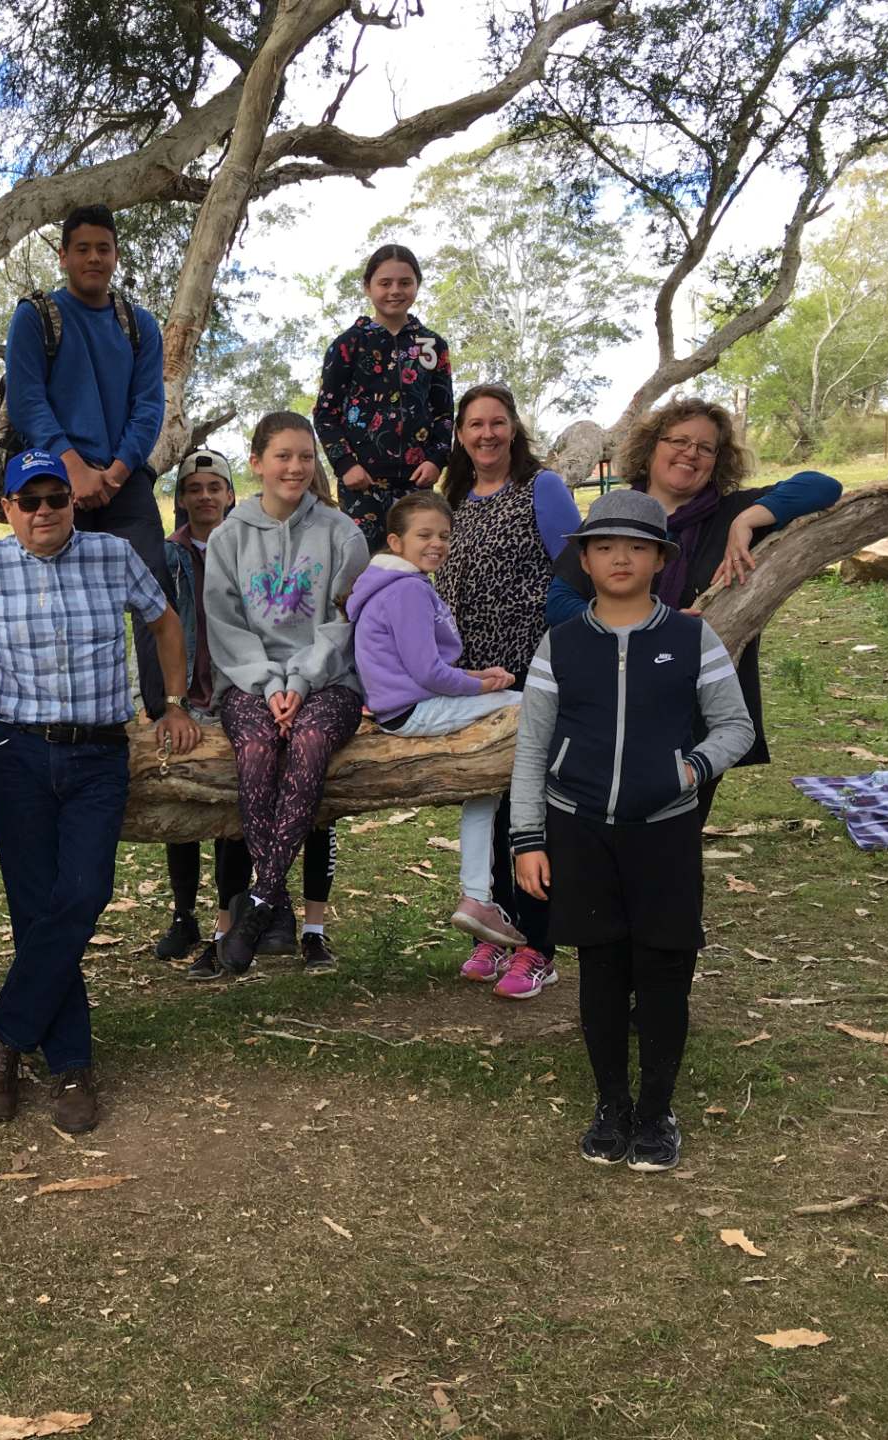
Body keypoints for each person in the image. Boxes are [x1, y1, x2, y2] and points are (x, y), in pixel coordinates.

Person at [0, 449, 200, 1134]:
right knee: (37, 910)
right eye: (28, 501)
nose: (44, 512)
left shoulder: (112, 556)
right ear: (6, 510)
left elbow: (164, 620)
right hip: (18, 755)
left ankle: (3, 1034)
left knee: (85, 893)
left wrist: (174, 702)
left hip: (99, 754)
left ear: (72, 502)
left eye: (55, 499)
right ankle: (71, 1066)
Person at [512, 490, 754, 1173]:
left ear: (658, 560)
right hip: (580, 828)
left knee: (664, 969)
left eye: (638, 547)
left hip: (664, 833)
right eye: (606, 546)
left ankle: (656, 1111)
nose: (621, 557)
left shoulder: (688, 636)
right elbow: (531, 748)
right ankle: (611, 1105)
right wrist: (528, 839)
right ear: (584, 559)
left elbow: (735, 726)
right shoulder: (560, 644)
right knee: (602, 969)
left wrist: (690, 772)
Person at [545, 397, 839, 827]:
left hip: (697, 712)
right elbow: (559, 602)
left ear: (718, 460)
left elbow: (824, 485)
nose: (690, 453)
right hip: (607, 699)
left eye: (705, 447)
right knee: (595, 834)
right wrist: (643, 631)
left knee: (674, 838)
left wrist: (748, 521)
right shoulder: (616, 513)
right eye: (679, 440)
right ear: (651, 447)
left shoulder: (732, 512)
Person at [151, 449, 340, 978]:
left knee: (311, 784)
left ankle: (308, 927)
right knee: (223, 810)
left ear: (233, 493)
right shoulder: (171, 555)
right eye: (195, 488)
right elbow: (159, 626)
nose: (206, 496)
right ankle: (212, 922)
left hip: (271, 685)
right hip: (206, 695)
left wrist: (287, 682)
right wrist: (168, 699)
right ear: (182, 498)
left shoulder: (266, 541)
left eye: (216, 487)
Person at [202, 412, 368, 975]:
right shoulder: (228, 537)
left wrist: (299, 683)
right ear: (257, 464)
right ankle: (271, 903)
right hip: (249, 680)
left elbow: (345, 623)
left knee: (312, 738)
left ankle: (263, 900)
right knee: (254, 749)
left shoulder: (342, 534)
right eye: (283, 456)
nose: (296, 467)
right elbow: (225, 625)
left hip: (329, 680)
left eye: (305, 456)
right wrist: (270, 684)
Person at [431, 384, 581, 997]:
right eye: (474, 425)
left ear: (513, 429)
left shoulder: (540, 488)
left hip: (532, 672)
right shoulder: (453, 496)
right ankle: (495, 939)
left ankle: (539, 947)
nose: (486, 434)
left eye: (497, 423)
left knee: (531, 816)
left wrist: (568, 662)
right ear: (460, 435)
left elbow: (575, 572)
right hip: (472, 680)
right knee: (484, 807)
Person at [347, 493, 528, 978]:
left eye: (444, 535)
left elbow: (423, 665)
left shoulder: (396, 583)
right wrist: (479, 685)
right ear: (395, 541)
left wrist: (476, 675)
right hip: (414, 709)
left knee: (484, 784)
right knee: (528, 707)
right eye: (424, 535)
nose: (437, 543)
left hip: (410, 704)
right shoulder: (406, 589)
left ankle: (477, 896)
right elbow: (428, 673)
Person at [3, 203, 172, 717]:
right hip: (53, 482)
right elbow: (28, 398)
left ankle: (165, 709)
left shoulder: (138, 324)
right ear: (63, 257)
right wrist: (72, 468)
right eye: (83, 249)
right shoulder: (35, 317)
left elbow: (149, 408)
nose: (93, 258)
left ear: (116, 256)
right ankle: (58, 710)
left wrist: (117, 472)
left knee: (153, 590)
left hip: (125, 483)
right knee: (54, 598)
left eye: (103, 248)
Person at [313, 243, 454, 555]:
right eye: (385, 283)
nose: (395, 291)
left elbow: (444, 414)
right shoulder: (348, 345)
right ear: (367, 287)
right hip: (362, 487)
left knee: (413, 566)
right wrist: (345, 463)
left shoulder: (431, 345)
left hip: (416, 486)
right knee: (364, 570)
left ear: (417, 284)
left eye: (405, 283)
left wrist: (436, 459)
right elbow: (325, 413)